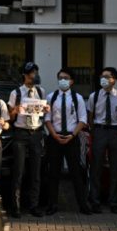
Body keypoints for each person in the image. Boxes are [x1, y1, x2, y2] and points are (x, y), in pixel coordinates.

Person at [44, 68, 92, 216]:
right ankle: (52, 204)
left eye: (65, 78)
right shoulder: (51, 97)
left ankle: (83, 205)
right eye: (60, 78)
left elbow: (83, 120)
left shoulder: (77, 98)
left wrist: (72, 135)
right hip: (55, 138)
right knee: (53, 173)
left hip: (72, 138)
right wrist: (54, 136)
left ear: (71, 81)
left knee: (76, 173)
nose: (62, 80)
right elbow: (47, 119)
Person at [8, 62, 49, 218]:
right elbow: (10, 117)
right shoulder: (16, 93)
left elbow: (44, 113)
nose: (34, 76)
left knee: (36, 171)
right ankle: (16, 206)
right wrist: (15, 110)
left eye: (35, 72)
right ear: (24, 75)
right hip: (20, 133)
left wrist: (46, 109)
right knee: (18, 171)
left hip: (36, 132)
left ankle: (34, 205)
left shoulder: (41, 91)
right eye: (31, 73)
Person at [87, 67, 117, 214]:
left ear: (113, 80)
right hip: (99, 131)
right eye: (101, 76)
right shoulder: (94, 96)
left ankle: (114, 202)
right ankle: (95, 201)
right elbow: (90, 116)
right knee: (96, 167)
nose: (103, 79)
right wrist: (94, 131)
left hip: (116, 132)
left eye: (106, 76)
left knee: (115, 168)